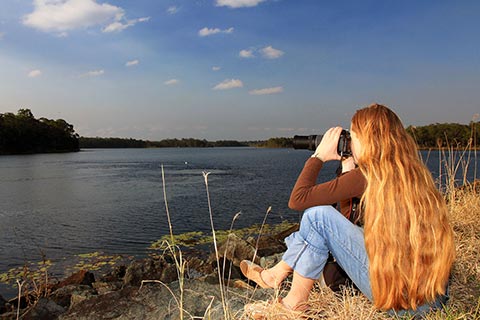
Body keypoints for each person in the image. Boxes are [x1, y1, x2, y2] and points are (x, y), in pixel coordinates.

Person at [241, 104, 455, 318]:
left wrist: (318, 156)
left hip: (407, 306)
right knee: (322, 225)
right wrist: (347, 169)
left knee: (316, 217)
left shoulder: (369, 175)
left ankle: (292, 305)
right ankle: (276, 275)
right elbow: (346, 223)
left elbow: (298, 200)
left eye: (353, 137)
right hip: (433, 297)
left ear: (368, 140)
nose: (350, 144)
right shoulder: (411, 172)